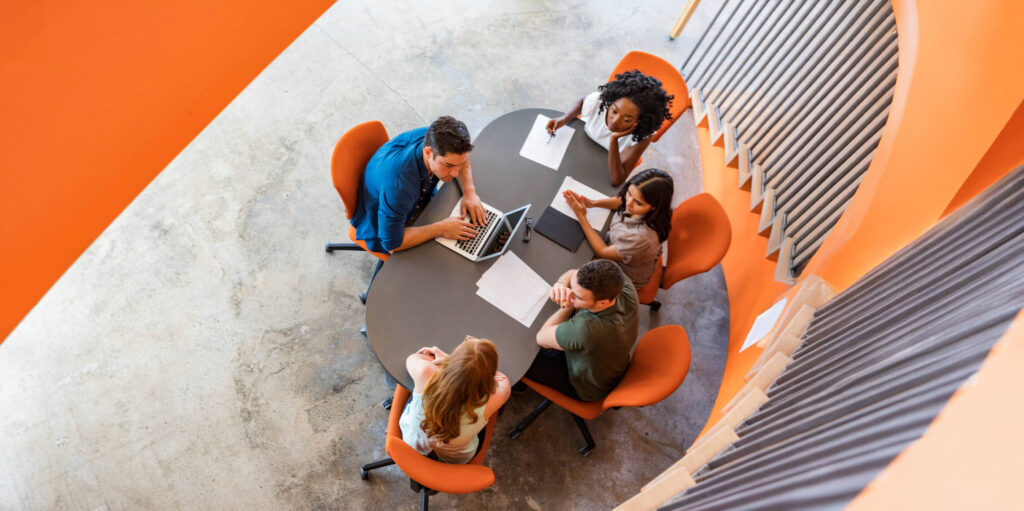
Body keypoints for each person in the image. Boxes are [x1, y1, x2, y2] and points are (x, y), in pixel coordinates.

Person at [351, 116, 488, 254]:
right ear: (428, 152)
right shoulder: (399, 188)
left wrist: (469, 193)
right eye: (448, 165)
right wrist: (441, 229)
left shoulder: (437, 138)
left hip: (414, 199)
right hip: (385, 226)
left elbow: (461, 158)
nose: (454, 173)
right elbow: (391, 243)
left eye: (459, 164)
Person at [523, 260, 639, 402]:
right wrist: (561, 284)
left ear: (603, 302)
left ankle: (519, 384)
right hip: (606, 364)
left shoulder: (588, 329)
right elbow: (572, 273)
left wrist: (568, 304)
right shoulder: (619, 282)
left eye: (578, 296)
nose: (571, 294)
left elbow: (541, 338)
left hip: (583, 385)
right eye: (572, 287)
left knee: (520, 352)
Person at [545, 70, 673, 187]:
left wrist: (614, 140)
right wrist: (564, 118)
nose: (615, 121)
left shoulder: (642, 136)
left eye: (627, 119)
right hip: (578, 149)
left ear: (639, 121)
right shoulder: (598, 102)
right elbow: (583, 101)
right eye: (614, 111)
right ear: (610, 102)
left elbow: (617, 180)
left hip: (600, 167)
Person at [399, 336, 511, 464]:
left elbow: (412, 358)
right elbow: (503, 379)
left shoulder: (427, 373)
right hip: (454, 460)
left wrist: (451, 362)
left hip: (414, 443)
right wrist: (476, 368)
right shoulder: (492, 399)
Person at [563, 169, 674, 288]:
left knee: (571, 273)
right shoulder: (641, 206)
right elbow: (621, 201)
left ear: (654, 207)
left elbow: (603, 252)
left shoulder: (640, 237)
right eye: (629, 193)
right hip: (618, 245)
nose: (628, 204)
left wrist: (582, 217)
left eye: (638, 203)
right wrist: (593, 203)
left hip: (623, 275)